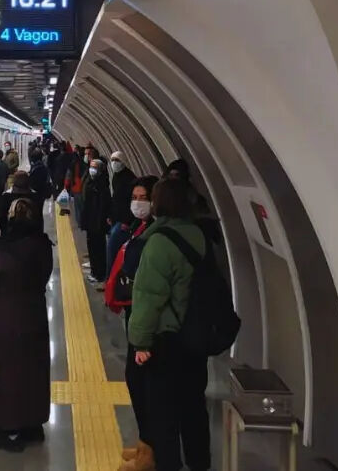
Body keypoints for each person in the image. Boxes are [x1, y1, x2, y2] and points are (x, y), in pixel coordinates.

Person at [128, 179, 211, 471]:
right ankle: (200, 464)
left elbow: (148, 297)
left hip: (167, 340)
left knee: (163, 415)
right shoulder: (199, 235)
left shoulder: (160, 242)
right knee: (193, 409)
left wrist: (140, 342)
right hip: (196, 336)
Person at [0, 198, 54, 452]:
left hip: (6, 317)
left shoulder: (1, 249)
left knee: (6, 370)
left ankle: (8, 425)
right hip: (34, 313)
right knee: (34, 369)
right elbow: (44, 275)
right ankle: (33, 425)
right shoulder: (43, 245)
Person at [104, 176, 160, 471]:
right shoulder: (141, 228)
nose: (138, 202)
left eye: (143, 197)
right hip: (135, 312)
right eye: (135, 196)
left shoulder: (155, 236)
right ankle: (144, 445)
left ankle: (150, 454)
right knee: (136, 382)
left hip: (145, 321)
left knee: (144, 384)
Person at [107, 151, 138, 290]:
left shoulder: (130, 179)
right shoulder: (116, 176)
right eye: (112, 159)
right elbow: (115, 200)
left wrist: (127, 221)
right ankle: (112, 281)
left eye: (117, 160)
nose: (114, 162)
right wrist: (111, 216)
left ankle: (111, 282)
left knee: (113, 251)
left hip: (124, 223)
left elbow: (131, 203)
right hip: (116, 220)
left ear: (123, 161)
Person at [81, 158, 112, 286]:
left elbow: (102, 206)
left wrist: (99, 223)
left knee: (98, 248)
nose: (91, 169)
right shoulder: (92, 182)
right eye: (91, 166)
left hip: (97, 223)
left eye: (94, 167)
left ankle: (99, 274)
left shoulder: (101, 186)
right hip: (91, 221)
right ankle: (95, 270)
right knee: (93, 247)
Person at [0, 171, 42, 235]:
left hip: (11, 233)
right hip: (31, 233)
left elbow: (1, 217)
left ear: (14, 181)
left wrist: (4, 233)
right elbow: (39, 218)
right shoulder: (35, 196)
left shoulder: (6, 196)